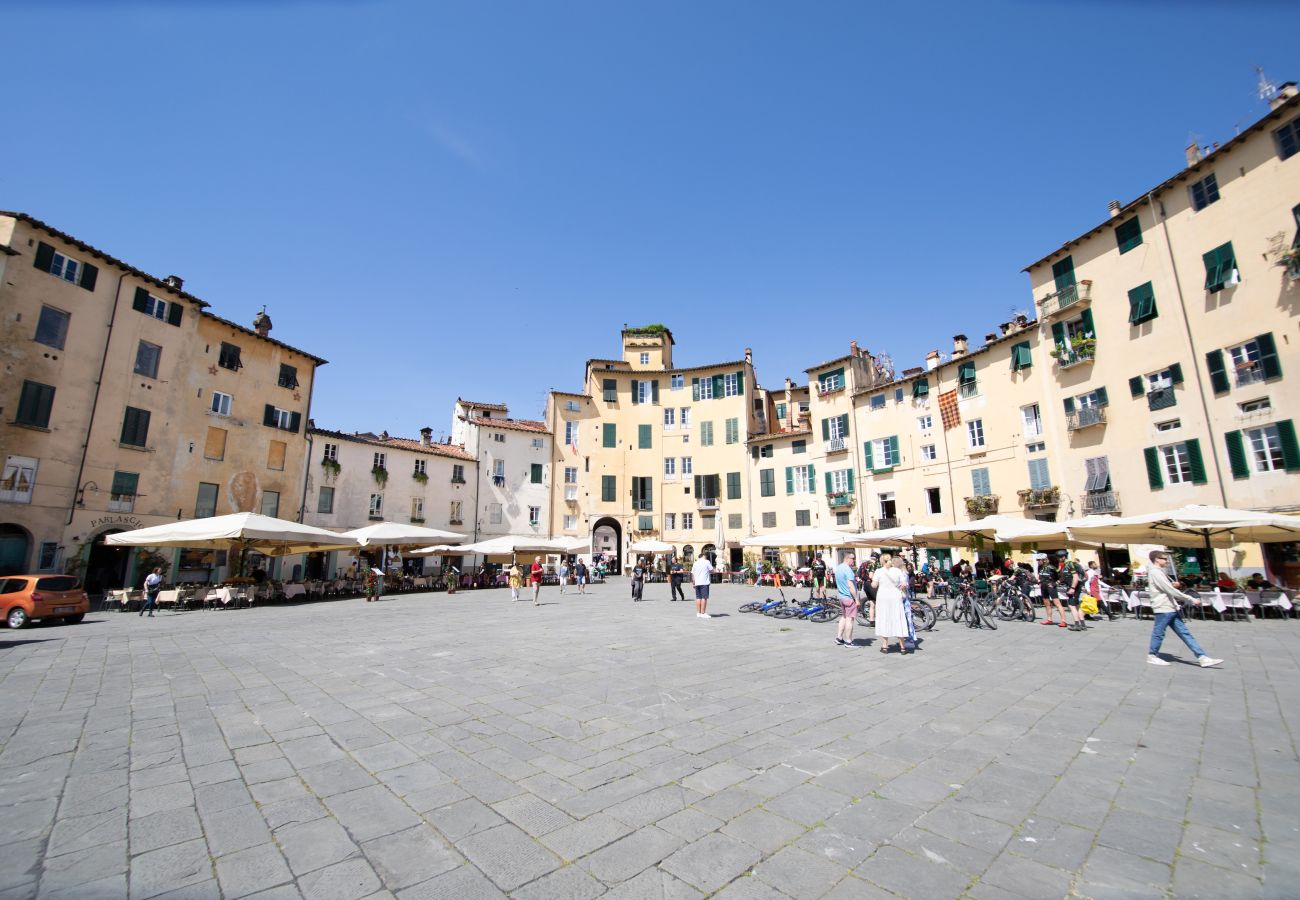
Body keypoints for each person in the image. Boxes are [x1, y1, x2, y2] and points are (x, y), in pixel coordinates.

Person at [1146, 550, 1223, 668]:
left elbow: (1164, 587)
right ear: (1157, 559)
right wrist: (1190, 598)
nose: (1166, 561)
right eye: (1164, 558)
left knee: (1184, 633)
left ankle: (1202, 657)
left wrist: (1172, 585)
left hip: (1170, 607)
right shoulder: (1155, 572)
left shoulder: (1159, 572)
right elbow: (1169, 590)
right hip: (1163, 607)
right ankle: (1152, 655)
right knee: (1159, 633)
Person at [873, 556, 912, 654]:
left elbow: (874, 585)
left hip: (883, 597)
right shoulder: (897, 571)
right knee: (898, 618)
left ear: (882, 561)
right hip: (895, 596)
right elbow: (904, 584)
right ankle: (903, 647)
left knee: (884, 618)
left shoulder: (878, 571)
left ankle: (885, 646)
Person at [833, 551, 860, 648]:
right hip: (849, 597)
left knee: (844, 617)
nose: (854, 561)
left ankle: (839, 638)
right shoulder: (848, 570)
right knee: (850, 619)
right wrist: (856, 599)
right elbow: (850, 585)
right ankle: (848, 641)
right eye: (853, 558)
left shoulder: (839, 568)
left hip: (841, 596)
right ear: (847, 558)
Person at [1058, 552, 1088, 632]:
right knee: (1076, 605)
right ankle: (1083, 624)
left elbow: (1075, 577)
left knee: (1071, 606)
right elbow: (1063, 577)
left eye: (1059, 557)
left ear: (1063, 557)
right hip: (1073, 587)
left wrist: (1072, 588)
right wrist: (1057, 582)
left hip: (1074, 587)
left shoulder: (1070, 564)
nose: (1058, 559)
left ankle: (1077, 625)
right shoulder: (1065, 565)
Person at [1038, 556, 1067, 628]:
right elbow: (1040, 577)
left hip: (1051, 587)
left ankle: (1063, 621)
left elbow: (1062, 577)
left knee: (1057, 603)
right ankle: (1049, 619)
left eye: (1039, 560)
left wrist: (1055, 584)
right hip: (1043, 587)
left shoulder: (1052, 568)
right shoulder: (1040, 567)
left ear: (1044, 560)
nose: (1038, 561)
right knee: (1047, 604)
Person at [691, 552, 714, 618]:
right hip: (704, 582)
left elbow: (693, 573)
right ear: (703, 556)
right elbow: (712, 570)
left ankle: (698, 613)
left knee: (698, 597)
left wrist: (693, 583)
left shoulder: (695, 563)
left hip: (697, 582)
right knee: (704, 598)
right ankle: (703, 613)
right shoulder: (706, 562)